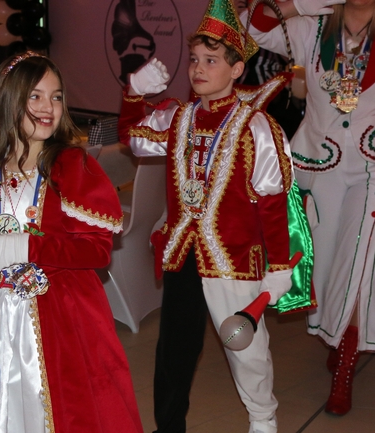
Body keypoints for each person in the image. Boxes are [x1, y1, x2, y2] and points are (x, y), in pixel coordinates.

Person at [117, 0, 306, 431]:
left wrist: (279, 266)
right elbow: (132, 137)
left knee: (245, 348)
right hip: (184, 252)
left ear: (237, 69)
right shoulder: (178, 118)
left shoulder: (257, 127)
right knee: (174, 351)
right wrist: (133, 93)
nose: (198, 69)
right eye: (195, 59)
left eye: (212, 60)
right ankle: (169, 427)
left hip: (233, 259)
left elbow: (273, 201)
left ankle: (263, 419)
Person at [244, 0, 375, 416]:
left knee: (361, 258)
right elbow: (250, 28)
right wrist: (300, 3)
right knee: (326, 261)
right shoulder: (308, 28)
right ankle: (338, 334)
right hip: (322, 163)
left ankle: (346, 361)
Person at [0, 52, 143, 433]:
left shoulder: (71, 166)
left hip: (62, 315)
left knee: (67, 409)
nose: (48, 107)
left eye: (56, 97)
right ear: (9, 101)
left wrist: (27, 247)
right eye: (35, 96)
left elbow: (97, 250)